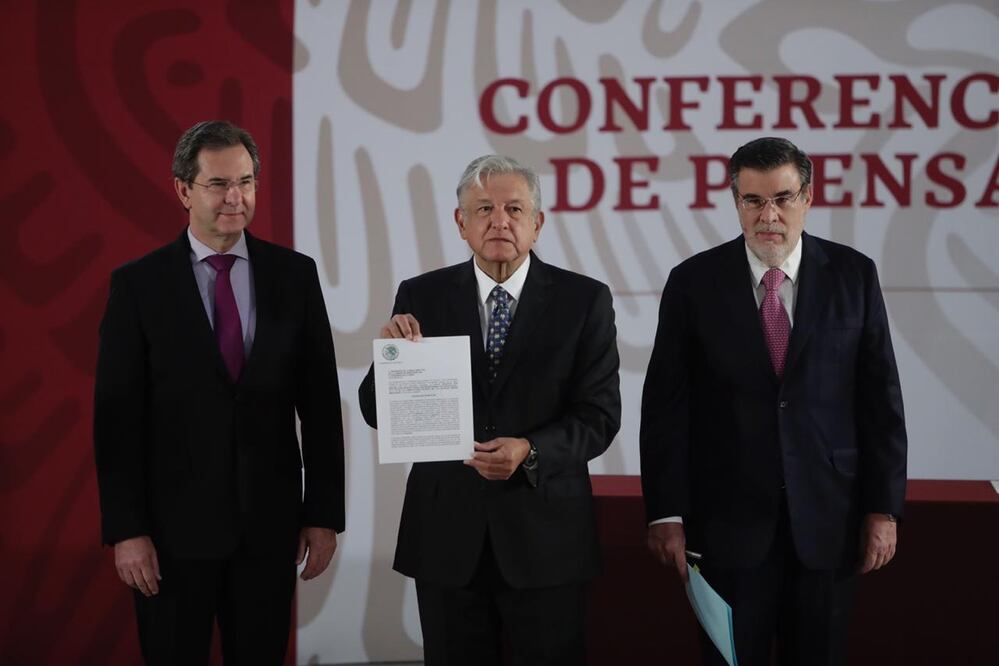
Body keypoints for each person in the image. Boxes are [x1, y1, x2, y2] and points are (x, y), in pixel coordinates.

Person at [640, 137, 907, 665]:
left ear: (807, 197)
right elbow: (666, 407)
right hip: (725, 523)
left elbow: (881, 401)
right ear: (734, 200)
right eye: (753, 201)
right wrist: (664, 511)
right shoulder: (692, 282)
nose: (769, 215)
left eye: (782, 199)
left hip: (830, 521)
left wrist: (884, 508)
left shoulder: (854, 275)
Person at [93, 120, 345, 665]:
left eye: (247, 182)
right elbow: (116, 420)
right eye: (219, 183)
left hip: (268, 529)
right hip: (168, 537)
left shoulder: (295, 277)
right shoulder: (138, 285)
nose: (236, 197)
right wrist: (127, 530)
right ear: (184, 189)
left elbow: (321, 405)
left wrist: (323, 514)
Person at [359, 155, 621, 665]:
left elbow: (600, 416)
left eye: (514, 209)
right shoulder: (422, 295)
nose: (499, 221)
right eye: (483, 209)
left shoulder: (584, 300)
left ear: (537, 223)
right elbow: (377, 411)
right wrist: (388, 360)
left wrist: (531, 450)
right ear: (461, 222)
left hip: (546, 541)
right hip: (446, 540)